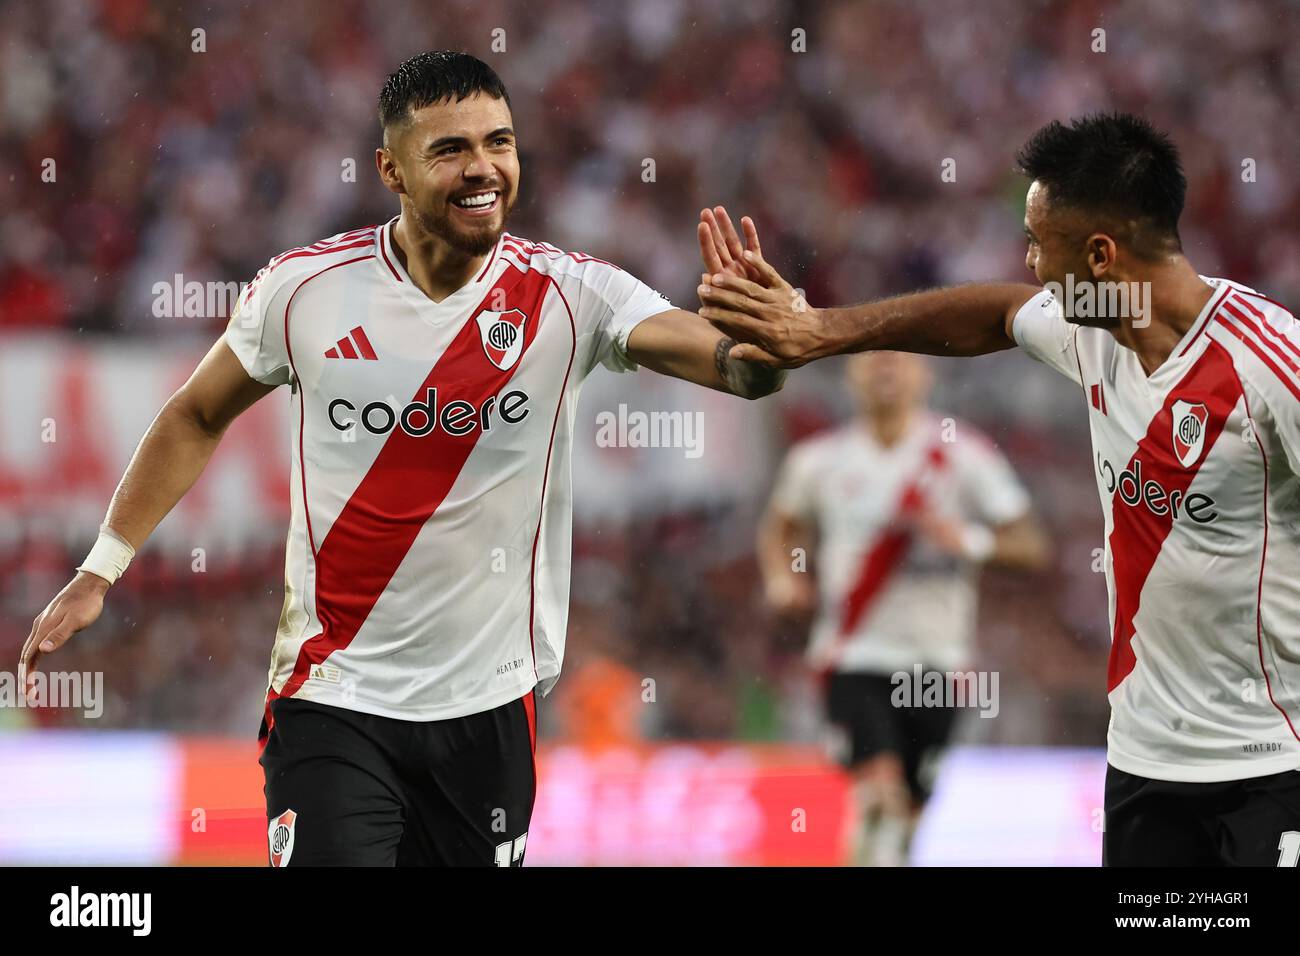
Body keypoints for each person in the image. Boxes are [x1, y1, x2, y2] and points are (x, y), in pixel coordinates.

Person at [20, 51, 783, 867]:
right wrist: (101, 567)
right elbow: (195, 413)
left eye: (500, 142)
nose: (483, 167)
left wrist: (767, 340)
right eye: (450, 149)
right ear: (391, 168)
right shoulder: (303, 290)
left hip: (488, 713)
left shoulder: (573, 294)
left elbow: (739, 372)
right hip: (333, 701)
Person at [696, 113, 1300, 867]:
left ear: (1101, 255)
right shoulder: (1097, 330)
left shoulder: (1270, 368)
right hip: (1146, 767)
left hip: (1271, 765)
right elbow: (997, 312)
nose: (1031, 262)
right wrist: (823, 329)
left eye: (1039, 242)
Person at [757, 349, 1047, 865]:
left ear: (925, 375)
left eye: (898, 359)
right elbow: (781, 525)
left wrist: (967, 541)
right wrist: (784, 578)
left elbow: (1029, 545)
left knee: (908, 819)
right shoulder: (820, 459)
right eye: (871, 360)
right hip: (854, 657)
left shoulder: (962, 455)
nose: (885, 368)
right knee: (880, 799)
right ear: (850, 377)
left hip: (939, 664)